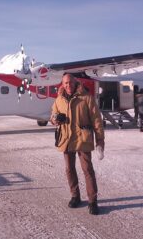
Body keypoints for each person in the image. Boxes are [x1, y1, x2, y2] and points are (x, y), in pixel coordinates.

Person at [51, 74, 105, 215]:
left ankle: (92, 201)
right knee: (69, 169)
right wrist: (56, 119)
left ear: (75, 83)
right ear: (62, 84)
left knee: (87, 170)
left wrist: (100, 140)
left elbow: (97, 120)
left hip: (82, 139)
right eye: (65, 83)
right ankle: (75, 196)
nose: (68, 86)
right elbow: (53, 116)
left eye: (70, 82)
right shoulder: (59, 100)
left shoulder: (86, 98)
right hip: (67, 139)